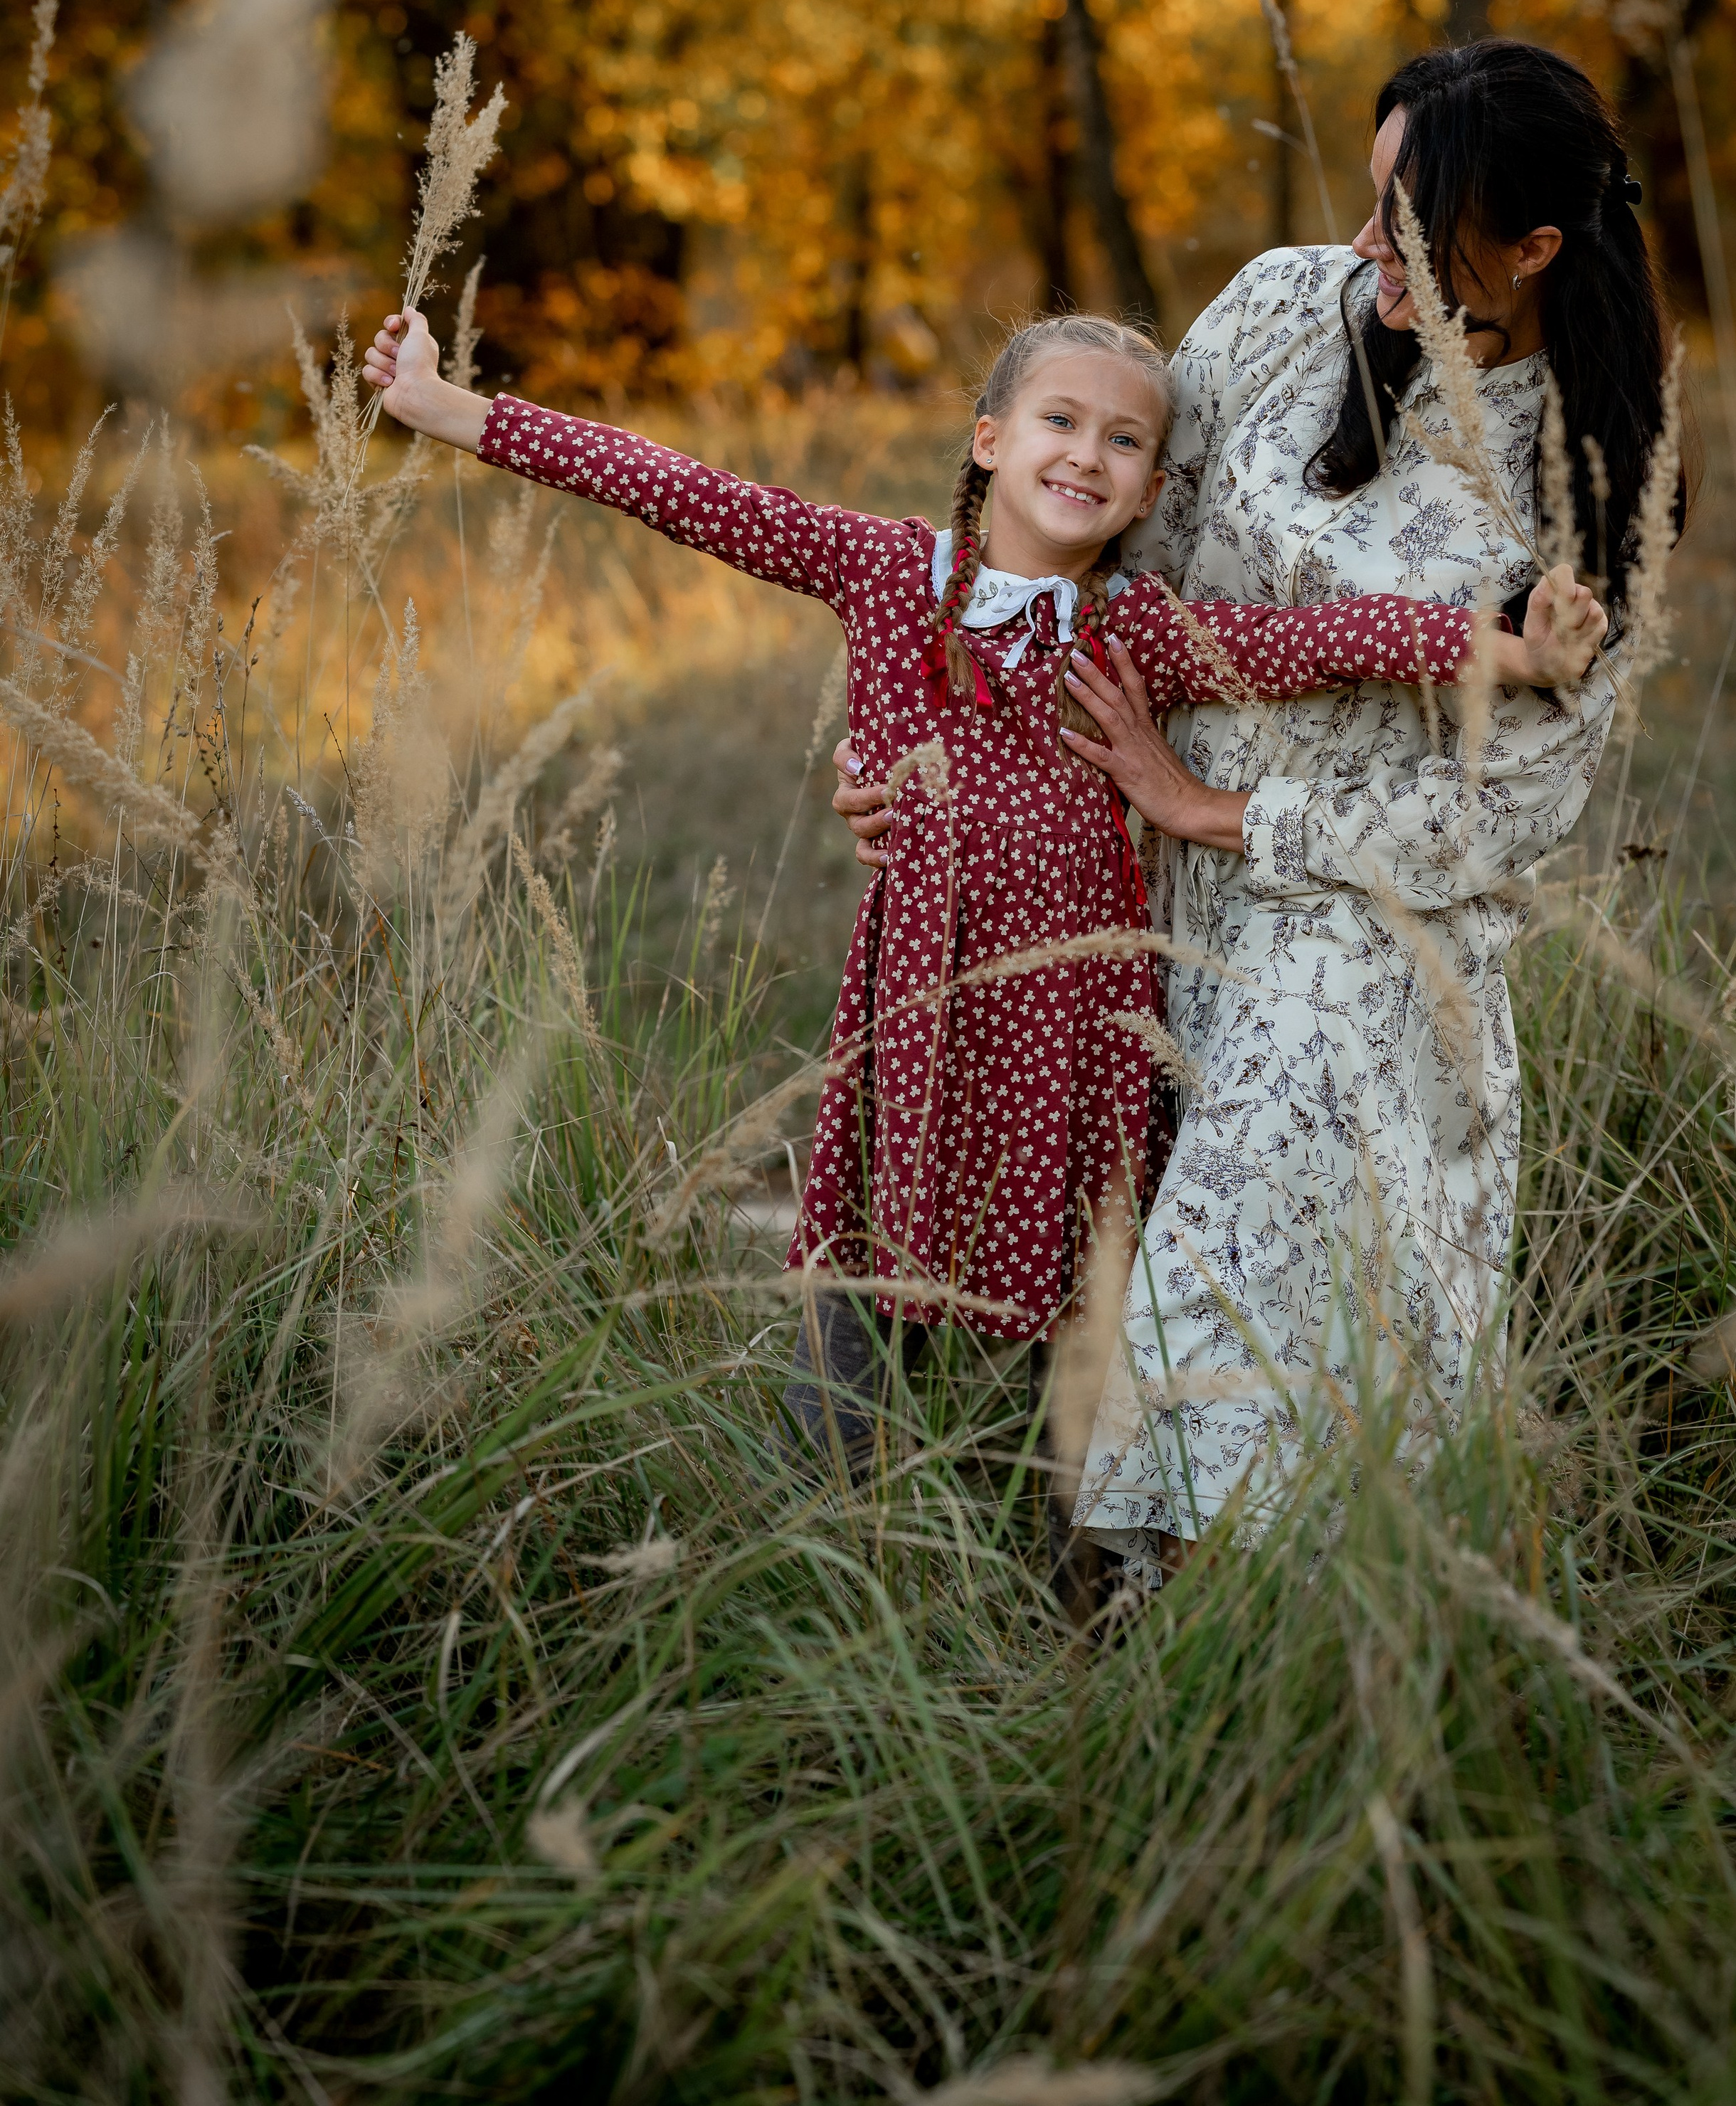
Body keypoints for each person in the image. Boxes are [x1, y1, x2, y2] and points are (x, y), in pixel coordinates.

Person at [361, 297, 1604, 1550]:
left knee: (1078, 1292)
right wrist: (450, 410)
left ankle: (1062, 1556)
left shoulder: (1138, 632)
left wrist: (1508, 646)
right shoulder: (893, 576)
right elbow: (689, 492)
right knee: (867, 1262)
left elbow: (1315, 641)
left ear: (1147, 492)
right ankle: (821, 1534)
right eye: (1059, 421)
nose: (1087, 455)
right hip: (924, 1005)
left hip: (1081, 1029)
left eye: (1125, 444)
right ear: (988, 439)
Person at [833, 40, 1678, 1587]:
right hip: (1132, 851)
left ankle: (1217, 1623)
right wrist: (943, 726)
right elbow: (1104, 541)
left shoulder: (1590, 474)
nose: (1364, 250)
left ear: (1531, 247)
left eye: (1407, 224)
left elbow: (1511, 810)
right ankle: (966, 1544)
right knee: (1038, 1185)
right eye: (1367, 201)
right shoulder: (1293, 305)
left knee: (1242, 1219)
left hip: (1351, 921)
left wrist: (1216, 807)